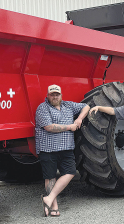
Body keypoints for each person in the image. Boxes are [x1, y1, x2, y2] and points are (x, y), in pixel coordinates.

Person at [35, 84, 90, 217]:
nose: (55, 96)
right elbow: (49, 127)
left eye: (57, 94)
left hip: (66, 148)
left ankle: (49, 198)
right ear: (48, 95)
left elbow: (86, 106)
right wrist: (70, 127)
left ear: (61, 95)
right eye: (52, 94)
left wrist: (79, 118)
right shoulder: (42, 108)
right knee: (50, 176)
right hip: (48, 149)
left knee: (70, 172)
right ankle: (53, 206)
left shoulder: (68, 105)